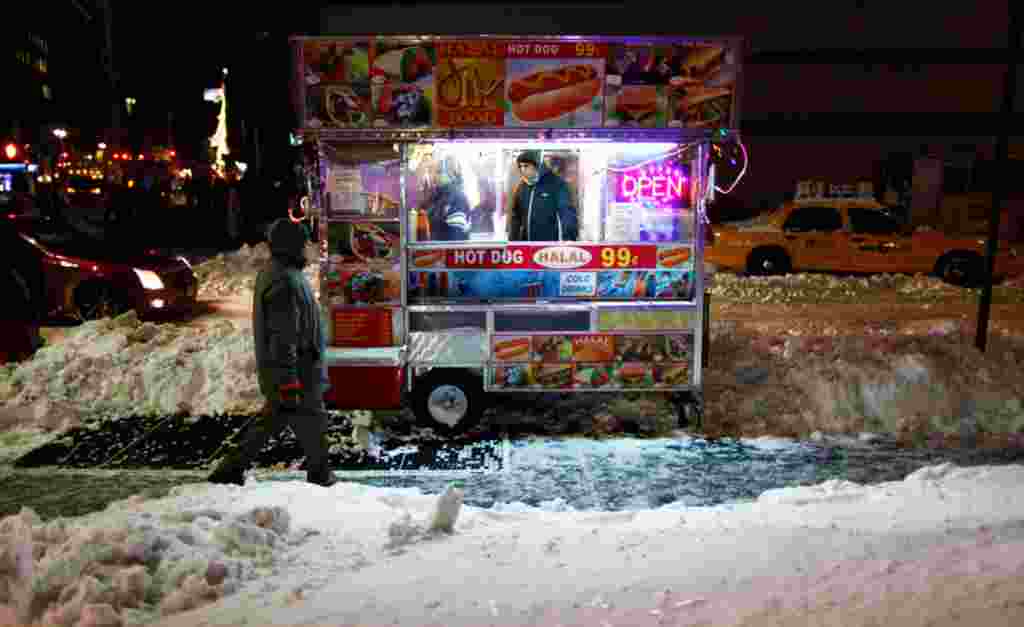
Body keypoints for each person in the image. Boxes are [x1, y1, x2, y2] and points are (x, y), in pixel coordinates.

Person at [208, 218, 337, 487]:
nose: (307, 248)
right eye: (303, 243)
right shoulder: (285, 282)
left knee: (279, 422)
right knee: (305, 421)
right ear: (292, 246)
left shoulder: (283, 273)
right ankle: (320, 475)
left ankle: (232, 470)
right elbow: (283, 337)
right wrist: (288, 379)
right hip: (297, 372)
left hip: (298, 370)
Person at [507, 150, 578, 242]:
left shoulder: (556, 184)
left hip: (549, 248)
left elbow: (567, 213)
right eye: (520, 166)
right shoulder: (522, 187)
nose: (522, 169)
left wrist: (569, 239)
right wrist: (513, 241)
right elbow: (515, 217)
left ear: (536, 166)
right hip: (526, 247)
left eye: (526, 166)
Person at [424, 155, 471, 241]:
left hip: (446, 252)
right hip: (437, 250)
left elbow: (455, 238)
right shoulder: (437, 196)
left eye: (439, 172)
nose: (434, 176)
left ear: (451, 174)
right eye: (432, 172)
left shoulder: (457, 198)